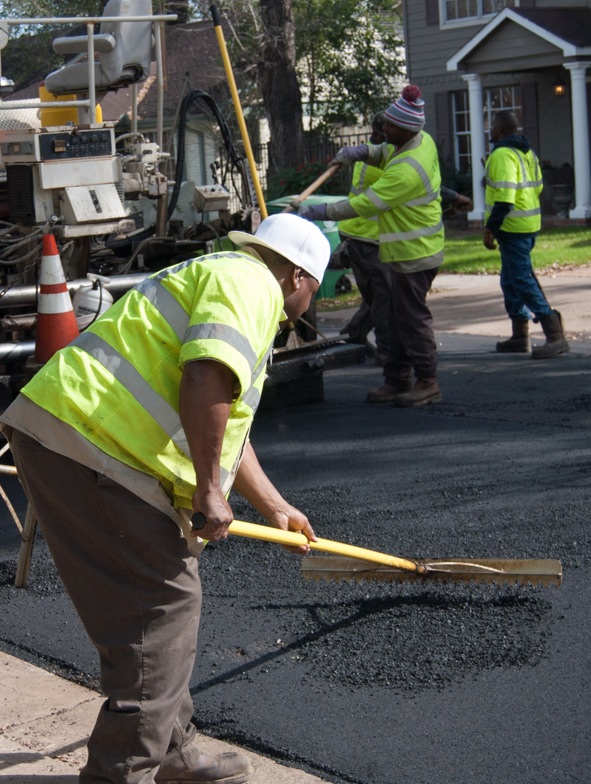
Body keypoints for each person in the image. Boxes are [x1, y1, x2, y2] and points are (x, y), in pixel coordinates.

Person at [0, 213, 330, 784]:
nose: (307, 306)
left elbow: (226, 421)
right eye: (315, 294)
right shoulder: (253, 286)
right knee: (162, 607)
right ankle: (120, 771)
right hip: (95, 446)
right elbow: (204, 377)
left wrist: (273, 505)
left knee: (146, 612)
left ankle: (175, 749)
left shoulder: (227, 274)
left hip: (73, 436)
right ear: (299, 277)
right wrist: (207, 490)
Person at [299, 85, 472, 407]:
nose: (383, 130)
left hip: (414, 253)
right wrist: (363, 152)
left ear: (405, 129)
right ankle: (396, 379)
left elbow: (365, 205)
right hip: (406, 249)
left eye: (389, 126)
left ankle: (427, 382)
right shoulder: (418, 141)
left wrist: (320, 212)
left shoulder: (406, 172)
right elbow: (385, 152)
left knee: (411, 320)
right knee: (392, 318)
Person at [483, 109, 569, 358]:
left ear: (499, 130)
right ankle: (520, 336)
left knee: (520, 279)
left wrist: (490, 228)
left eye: (491, 127)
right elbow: (538, 185)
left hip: (512, 227)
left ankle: (554, 334)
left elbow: (505, 198)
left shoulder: (502, 154)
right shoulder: (527, 152)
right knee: (510, 280)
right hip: (529, 224)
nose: (489, 131)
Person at [337, 111, 392, 365]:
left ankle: (357, 330)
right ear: (383, 133)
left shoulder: (372, 153)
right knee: (384, 294)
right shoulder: (379, 162)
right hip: (367, 235)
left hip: (360, 232)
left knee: (377, 293)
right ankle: (387, 350)